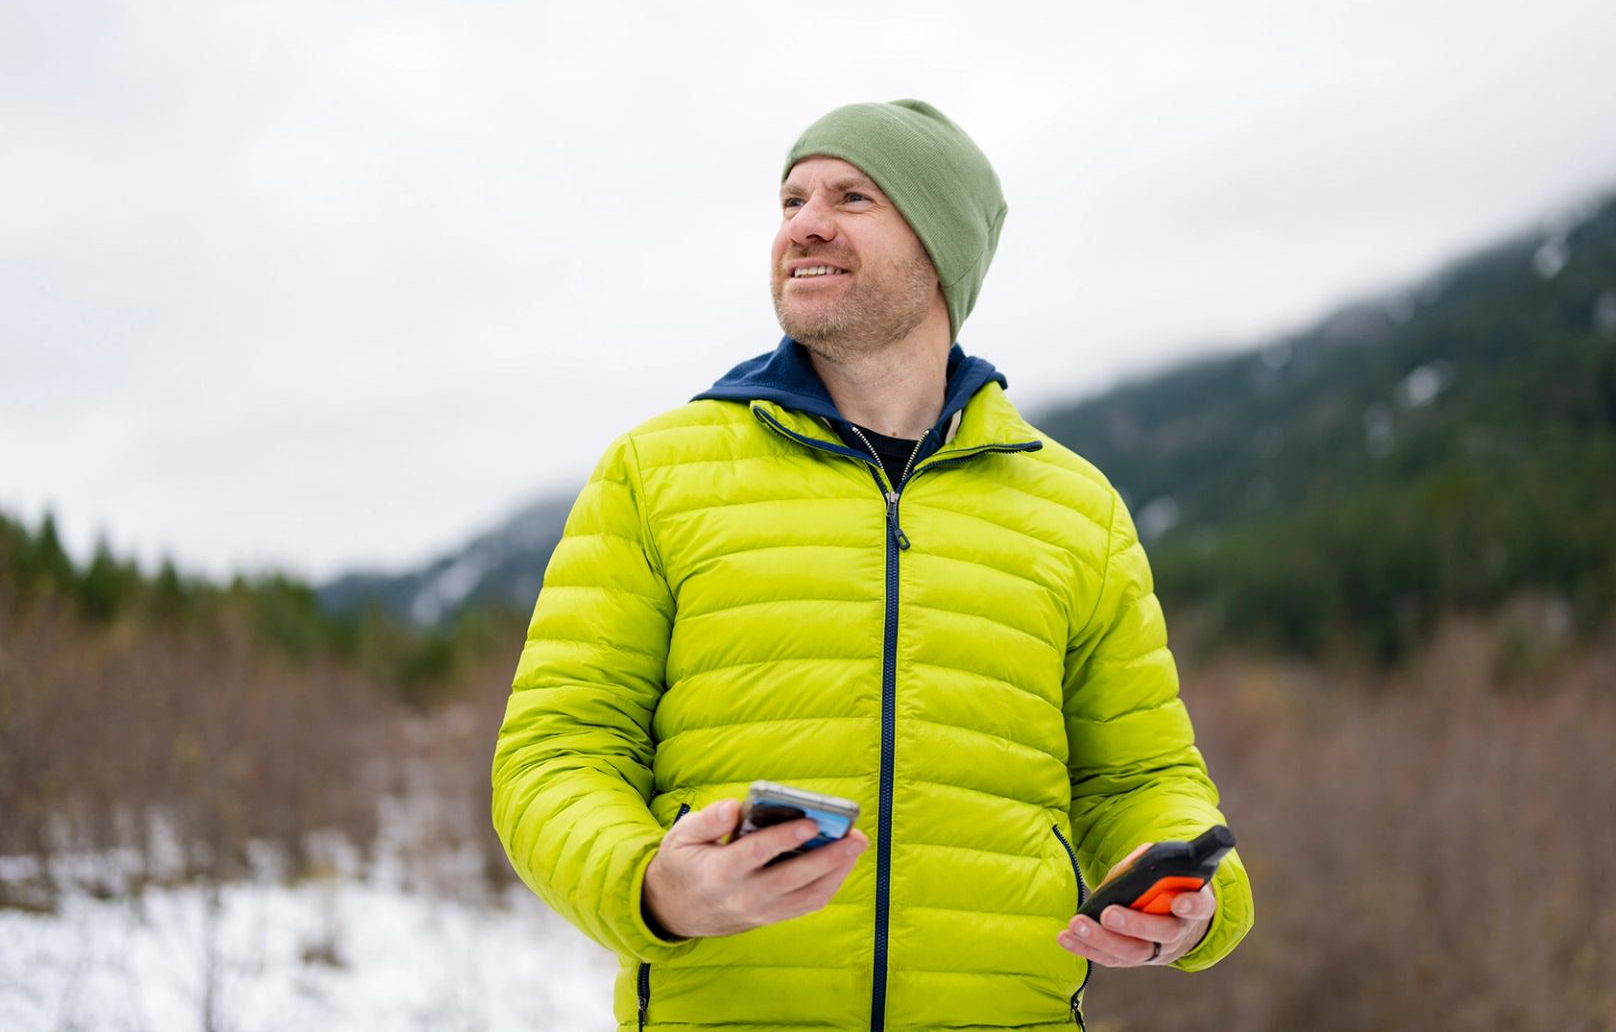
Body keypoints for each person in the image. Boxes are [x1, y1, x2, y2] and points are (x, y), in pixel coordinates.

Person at [492, 99, 1253, 1031]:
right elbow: (554, 756)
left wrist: (1192, 905)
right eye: (791, 200)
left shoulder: (1075, 510)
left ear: (939, 249)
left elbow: (1139, 778)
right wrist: (650, 886)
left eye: (852, 196)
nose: (804, 224)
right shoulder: (657, 474)